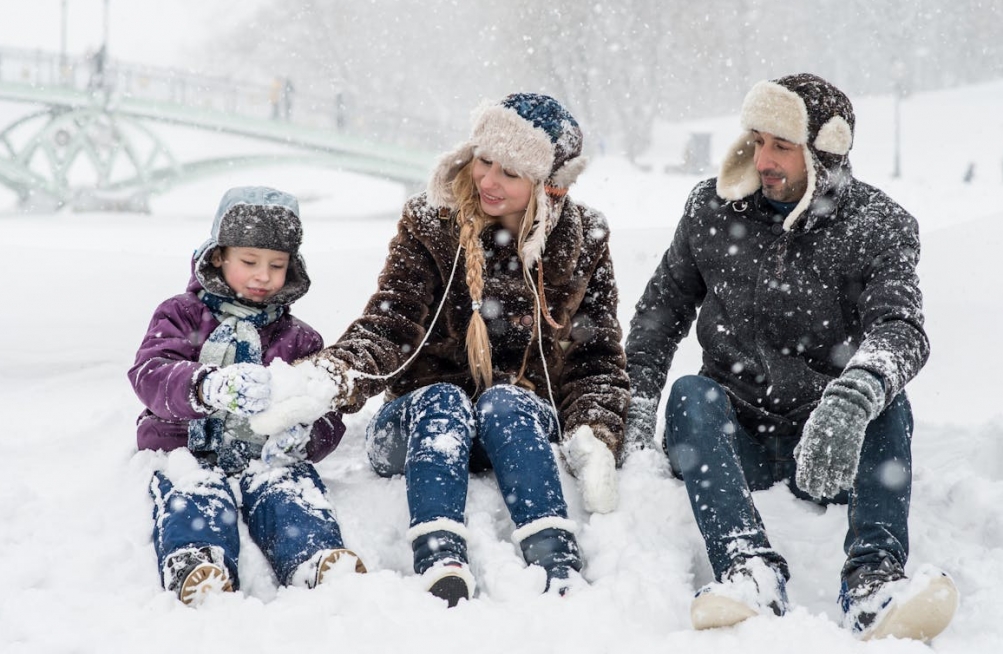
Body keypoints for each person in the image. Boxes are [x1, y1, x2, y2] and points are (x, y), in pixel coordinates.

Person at [255, 93, 630, 606]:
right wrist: (331, 375)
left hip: (514, 430)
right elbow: (390, 324)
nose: (488, 181)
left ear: (549, 186)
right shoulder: (430, 222)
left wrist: (594, 430)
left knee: (508, 402)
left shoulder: (585, 237)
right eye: (484, 160)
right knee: (444, 401)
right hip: (419, 424)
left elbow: (597, 356)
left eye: (511, 173)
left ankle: (554, 556)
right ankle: (439, 554)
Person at [623, 73, 958, 641]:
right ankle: (747, 568)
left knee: (887, 400)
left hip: (829, 447)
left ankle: (874, 582)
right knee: (689, 395)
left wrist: (851, 400)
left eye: (782, 145)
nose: (763, 159)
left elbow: (901, 329)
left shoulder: (878, 226)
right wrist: (631, 408)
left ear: (824, 152)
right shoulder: (711, 209)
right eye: (757, 140)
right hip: (734, 440)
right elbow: (659, 317)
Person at [128, 186, 366, 606]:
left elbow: (325, 411)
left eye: (277, 265)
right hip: (185, 446)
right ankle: (198, 559)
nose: (263, 276)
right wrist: (206, 385)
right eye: (250, 262)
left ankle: (313, 556)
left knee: (289, 489)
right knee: (195, 490)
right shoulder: (181, 315)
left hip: (264, 455)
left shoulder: (300, 339)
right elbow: (151, 372)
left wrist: (306, 436)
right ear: (218, 256)